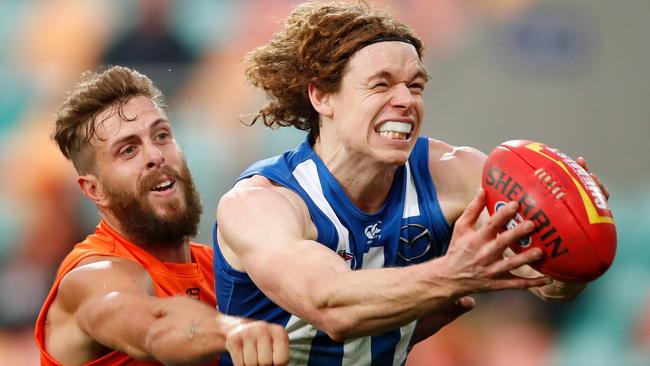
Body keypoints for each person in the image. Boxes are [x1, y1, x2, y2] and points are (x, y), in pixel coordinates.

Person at [213, 2, 604, 365]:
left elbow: (546, 285)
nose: (406, 99)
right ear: (321, 96)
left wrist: (576, 242)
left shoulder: (456, 172)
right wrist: (450, 275)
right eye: (381, 85)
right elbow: (330, 306)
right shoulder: (260, 203)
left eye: (415, 86)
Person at [34, 66, 289, 366]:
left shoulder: (219, 267)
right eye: (128, 150)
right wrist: (230, 329)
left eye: (161, 135)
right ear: (94, 190)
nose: (155, 155)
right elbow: (155, 327)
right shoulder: (91, 277)